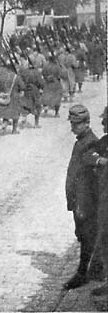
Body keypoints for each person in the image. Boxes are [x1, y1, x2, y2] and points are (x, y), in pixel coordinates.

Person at [63, 104, 102, 290]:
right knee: (84, 236)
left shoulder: (91, 143)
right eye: (72, 123)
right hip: (78, 200)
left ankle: (82, 274)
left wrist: (81, 204)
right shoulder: (81, 140)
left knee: (87, 236)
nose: (73, 127)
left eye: (76, 124)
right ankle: (93, 270)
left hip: (84, 202)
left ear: (87, 124)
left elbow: (92, 181)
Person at [85, 106, 108, 296]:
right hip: (105, 200)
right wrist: (100, 160)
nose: (103, 123)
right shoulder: (105, 142)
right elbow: (87, 154)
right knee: (105, 239)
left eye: (106, 120)